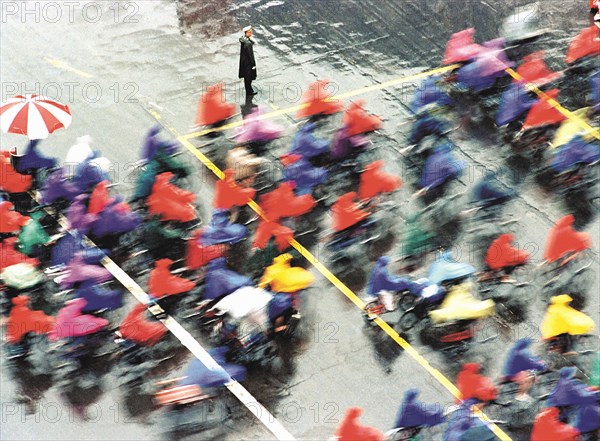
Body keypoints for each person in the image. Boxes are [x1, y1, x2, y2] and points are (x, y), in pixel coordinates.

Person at [239, 25, 257, 97]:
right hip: (248, 64)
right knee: (249, 77)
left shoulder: (243, 40)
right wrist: (253, 64)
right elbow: (250, 55)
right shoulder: (248, 44)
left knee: (246, 77)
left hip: (243, 62)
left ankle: (248, 89)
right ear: (246, 33)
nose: (251, 34)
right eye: (249, 32)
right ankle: (249, 91)